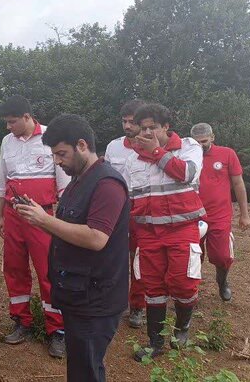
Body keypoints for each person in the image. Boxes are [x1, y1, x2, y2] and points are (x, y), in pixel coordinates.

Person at [16, 114, 129, 381]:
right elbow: (66, 229)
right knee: (82, 367)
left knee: (86, 370)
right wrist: (37, 217)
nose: (57, 161)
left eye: (61, 154)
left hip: (96, 299)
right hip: (78, 294)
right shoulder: (77, 182)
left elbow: (96, 238)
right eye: (54, 155)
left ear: (81, 145)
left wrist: (45, 220)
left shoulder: (107, 184)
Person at [124, 103, 206, 361]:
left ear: (166, 128)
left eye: (154, 127)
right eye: (144, 128)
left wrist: (156, 152)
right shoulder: (133, 158)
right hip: (148, 232)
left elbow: (187, 173)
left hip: (182, 229)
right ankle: (154, 342)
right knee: (153, 287)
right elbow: (130, 197)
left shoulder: (189, 147)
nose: (148, 133)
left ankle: (181, 329)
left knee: (183, 284)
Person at [0, 95, 70, 358]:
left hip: (43, 216)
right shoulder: (7, 141)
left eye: (12, 122)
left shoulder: (51, 137)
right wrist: (0, 216)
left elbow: (63, 181)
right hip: (15, 215)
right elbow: (3, 180)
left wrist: (63, 220)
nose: (8, 127)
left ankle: (57, 330)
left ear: (27, 117)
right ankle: (22, 321)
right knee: (14, 268)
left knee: (48, 270)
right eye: (6, 122)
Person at [190, 123, 250, 301]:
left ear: (212, 137)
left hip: (219, 214)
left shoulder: (227, 154)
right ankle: (191, 290)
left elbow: (238, 184)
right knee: (193, 255)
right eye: (196, 142)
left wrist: (244, 214)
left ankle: (222, 281)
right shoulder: (187, 157)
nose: (200, 145)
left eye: (204, 141)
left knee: (221, 256)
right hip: (193, 215)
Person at [104, 99, 147, 328]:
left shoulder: (152, 147)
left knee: (138, 259)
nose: (128, 126)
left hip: (142, 207)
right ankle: (114, 301)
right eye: (124, 121)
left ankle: (138, 306)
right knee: (114, 256)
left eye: (132, 122)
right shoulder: (114, 147)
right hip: (118, 208)